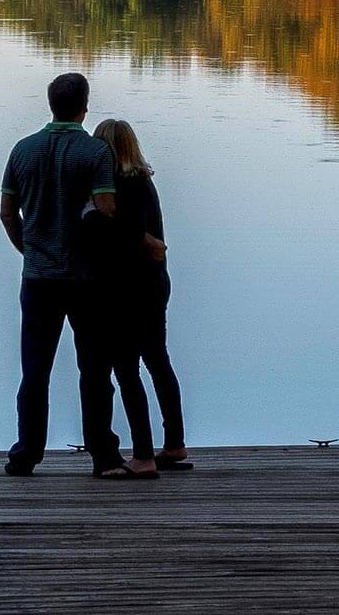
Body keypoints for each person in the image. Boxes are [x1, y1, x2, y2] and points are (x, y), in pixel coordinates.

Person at [0, 72, 134, 479]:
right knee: (94, 369)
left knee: (34, 371)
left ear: (50, 103)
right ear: (84, 106)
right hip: (85, 278)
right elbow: (107, 209)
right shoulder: (94, 153)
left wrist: (29, 248)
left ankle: (26, 454)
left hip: (38, 277)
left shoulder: (22, 150)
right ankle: (103, 456)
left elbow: (7, 213)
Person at [89, 118, 192, 474]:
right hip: (154, 283)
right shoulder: (143, 180)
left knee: (126, 368)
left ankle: (144, 455)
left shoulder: (117, 185)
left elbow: (126, 230)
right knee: (157, 361)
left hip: (126, 287)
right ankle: (174, 443)